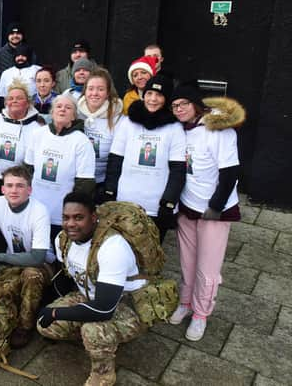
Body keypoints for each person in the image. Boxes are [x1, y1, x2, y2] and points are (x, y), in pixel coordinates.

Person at [37, 192, 148, 386]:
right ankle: (98, 340)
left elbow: (104, 309)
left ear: (94, 217)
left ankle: (103, 374)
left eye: (78, 217)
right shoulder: (62, 239)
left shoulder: (112, 247)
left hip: (127, 304)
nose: (70, 224)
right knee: (45, 325)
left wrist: (55, 312)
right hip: (89, 295)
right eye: (66, 217)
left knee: (94, 330)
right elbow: (65, 277)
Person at [168, 84, 244, 341]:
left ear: (196, 104)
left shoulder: (218, 130)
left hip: (214, 210)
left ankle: (201, 314)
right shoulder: (180, 130)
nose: (179, 110)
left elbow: (230, 172)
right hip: (187, 206)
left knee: (207, 267)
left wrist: (216, 205)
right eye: (175, 106)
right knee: (187, 262)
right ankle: (186, 303)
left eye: (183, 104)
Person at [104, 74, 186, 243]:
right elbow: (115, 160)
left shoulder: (174, 127)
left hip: (155, 206)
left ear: (166, 99)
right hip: (126, 201)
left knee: (149, 259)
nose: (153, 99)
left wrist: (168, 202)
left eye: (159, 95)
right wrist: (110, 191)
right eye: (149, 94)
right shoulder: (128, 123)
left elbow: (178, 169)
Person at [0, 165, 53, 348]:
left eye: (20, 186)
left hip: (43, 265)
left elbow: (37, 258)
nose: (14, 190)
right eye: (9, 185)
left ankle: (24, 326)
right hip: (14, 262)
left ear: (29, 190)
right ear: (2, 188)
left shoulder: (39, 211)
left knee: (31, 275)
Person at [25, 94, 96, 242]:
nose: (62, 110)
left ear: (74, 116)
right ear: (52, 112)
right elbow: (28, 171)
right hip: (35, 209)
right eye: (58, 106)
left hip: (61, 216)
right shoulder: (38, 134)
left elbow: (84, 184)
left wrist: (71, 215)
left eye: (68, 107)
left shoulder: (81, 142)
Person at [0, 80, 44, 206]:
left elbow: (37, 163)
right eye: (10, 98)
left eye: (19, 98)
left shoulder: (37, 129)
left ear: (28, 103)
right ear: (5, 102)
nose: (14, 101)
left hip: (17, 186)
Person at [76, 68, 124, 188]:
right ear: (85, 91)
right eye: (90, 88)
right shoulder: (74, 113)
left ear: (108, 93)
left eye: (100, 89)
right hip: (75, 178)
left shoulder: (118, 119)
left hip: (103, 181)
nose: (95, 93)